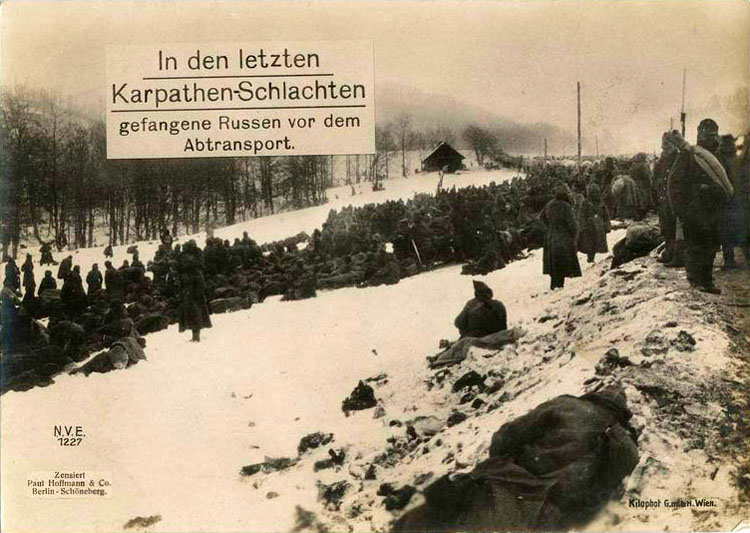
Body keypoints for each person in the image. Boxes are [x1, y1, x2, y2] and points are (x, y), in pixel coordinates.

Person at [393, 385, 639, 532]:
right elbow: (605, 496)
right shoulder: (626, 445)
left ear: (594, 397)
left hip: (508, 488)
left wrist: (504, 464)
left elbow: (505, 437)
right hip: (551, 519)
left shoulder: (567, 406)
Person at [667, 120, 734, 293]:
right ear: (699, 135)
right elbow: (674, 184)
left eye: (712, 135)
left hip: (713, 210)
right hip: (694, 212)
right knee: (696, 247)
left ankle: (707, 280)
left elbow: (728, 183)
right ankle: (696, 282)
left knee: (710, 246)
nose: (709, 139)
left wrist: (716, 194)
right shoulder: (688, 156)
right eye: (705, 135)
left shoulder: (717, 158)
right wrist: (680, 210)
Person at [541, 183, 581, 289]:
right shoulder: (566, 206)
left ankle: (554, 285)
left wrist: (549, 227)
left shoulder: (549, 204)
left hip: (551, 236)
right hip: (563, 237)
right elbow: (573, 224)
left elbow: (541, 218)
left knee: (553, 262)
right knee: (562, 262)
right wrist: (574, 235)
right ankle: (559, 285)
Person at [654, 131, 682, 266]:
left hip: (676, 199)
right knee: (666, 227)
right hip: (664, 198)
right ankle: (669, 251)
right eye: (663, 147)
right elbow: (657, 178)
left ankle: (676, 255)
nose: (664, 149)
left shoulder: (679, 158)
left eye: (667, 146)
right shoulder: (662, 160)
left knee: (675, 228)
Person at [178, 240, 212, 342]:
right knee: (194, 312)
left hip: (192, 290)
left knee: (194, 311)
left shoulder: (194, 265)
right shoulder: (194, 259)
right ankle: (195, 335)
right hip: (191, 290)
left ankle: (196, 336)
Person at [577, 182, 611, 263]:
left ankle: (594, 259)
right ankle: (590, 259)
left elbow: (606, 215)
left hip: (599, 226)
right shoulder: (585, 203)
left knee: (597, 243)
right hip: (590, 227)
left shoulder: (601, 203)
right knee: (590, 244)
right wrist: (583, 227)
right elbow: (581, 216)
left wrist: (607, 226)